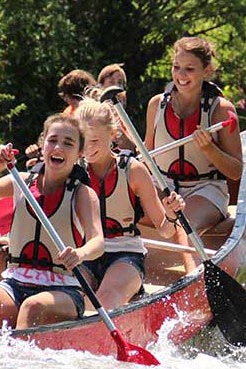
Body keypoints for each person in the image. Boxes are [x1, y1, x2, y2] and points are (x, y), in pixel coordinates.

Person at [0, 114, 105, 330]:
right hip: (14, 286)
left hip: (63, 292)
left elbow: (98, 242)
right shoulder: (21, 181)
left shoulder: (83, 194)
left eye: (68, 143)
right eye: (52, 141)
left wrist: (80, 253)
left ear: (79, 153)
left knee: (33, 307)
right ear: (43, 145)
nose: (58, 147)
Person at [73, 96, 184, 309]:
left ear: (113, 135)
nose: (87, 149)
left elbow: (165, 231)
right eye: (82, 140)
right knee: (72, 300)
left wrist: (171, 214)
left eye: (95, 141)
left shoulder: (133, 171)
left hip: (125, 254)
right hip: (85, 254)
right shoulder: (72, 173)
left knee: (106, 299)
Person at [144, 37, 242, 234]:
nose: (180, 75)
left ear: (206, 71)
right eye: (176, 67)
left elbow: (236, 171)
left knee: (182, 224)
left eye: (189, 69)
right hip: (163, 186)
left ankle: (191, 261)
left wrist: (209, 149)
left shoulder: (221, 110)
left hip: (205, 189)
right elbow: (148, 158)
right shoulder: (156, 105)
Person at [97, 63, 136, 152]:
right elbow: (127, 146)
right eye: (111, 82)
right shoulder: (100, 112)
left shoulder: (122, 115)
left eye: (120, 83)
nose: (116, 86)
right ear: (101, 86)